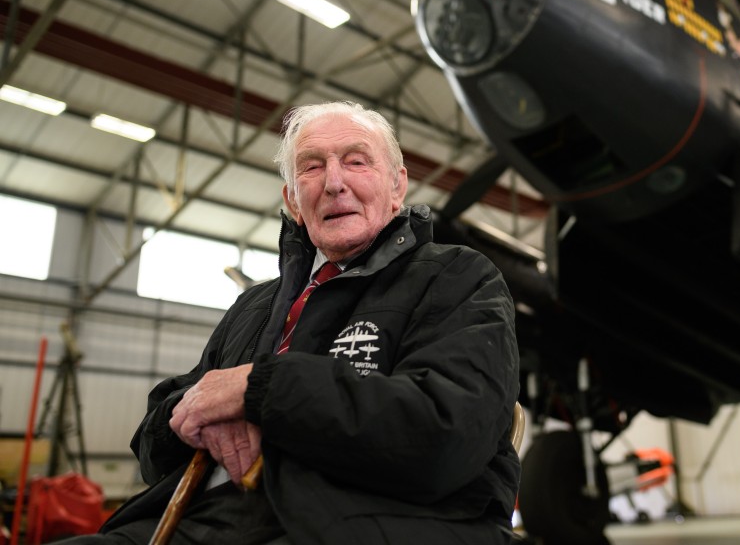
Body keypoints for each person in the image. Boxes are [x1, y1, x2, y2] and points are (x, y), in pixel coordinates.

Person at [66, 101, 520, 544]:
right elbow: (153, 452)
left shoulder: (458, 276)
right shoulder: (254, 305)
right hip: (198, 518)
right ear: (293, 200)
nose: (334, 183)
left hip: (353, 522)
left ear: (397, 186)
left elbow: (445, 436)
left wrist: (259, 391)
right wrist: (195, 413)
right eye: (311, 167)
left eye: (356, 161)